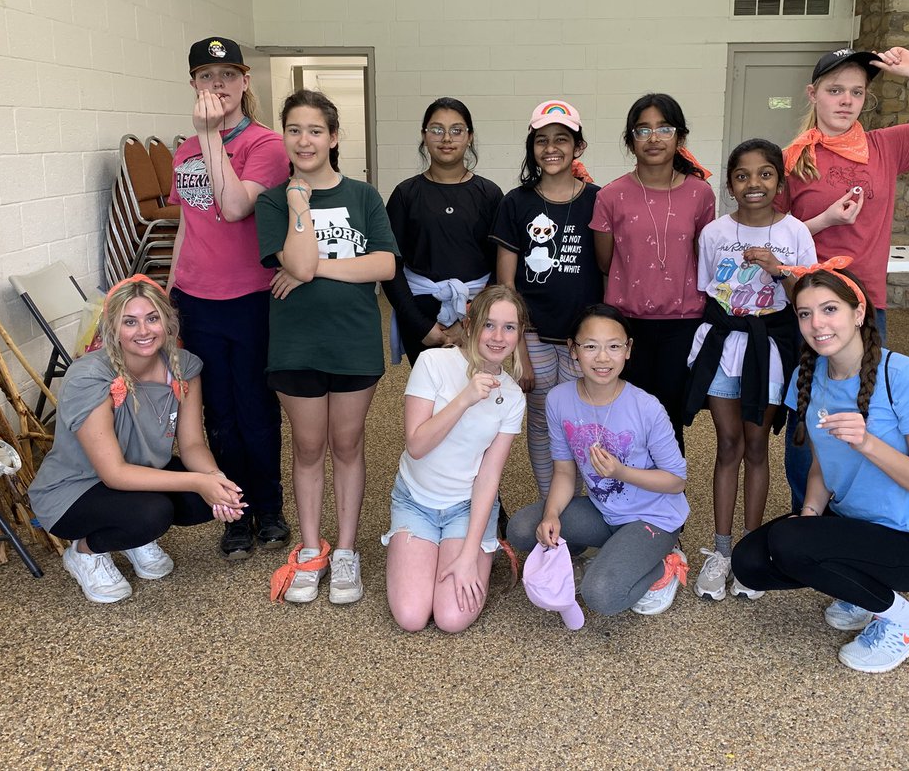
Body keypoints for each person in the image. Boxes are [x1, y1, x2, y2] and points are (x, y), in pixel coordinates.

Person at [777, 46, 909, 511]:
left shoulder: (885, 146)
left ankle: (859, 513)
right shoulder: (793, 160)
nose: (846, 101)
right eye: (834, 91)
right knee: (807, 419)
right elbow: (774, 242)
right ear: (813, 95)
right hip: (808, 309)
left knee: (871, 415)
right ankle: (805, 516)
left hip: (865, 304)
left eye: (856, 91)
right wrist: (823, 222)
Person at [732, 263, 909, 673]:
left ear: (858, 314)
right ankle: (861, 590)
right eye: (804, 313)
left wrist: (867, 442)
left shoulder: (906, 375)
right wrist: (811, 517)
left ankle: (907, 623)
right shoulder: (808, 373)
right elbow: (822, 461)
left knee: (788, 544)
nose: (817, 324)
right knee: (749, 561)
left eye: (830, 309)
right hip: (855, 521)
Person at [255, 89, 398, 606]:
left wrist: (314, 269)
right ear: (284, 137)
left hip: (353, 343)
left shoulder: (362, 196)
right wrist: (298, 205)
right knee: (309, 448)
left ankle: (346, 552)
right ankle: (312, 548)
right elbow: (291, 258)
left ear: (334, 137)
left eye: (316, 130)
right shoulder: (274, 200)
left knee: (348, 446)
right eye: (294, 130)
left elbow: (384, 265)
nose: (305, 140)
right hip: (296, 345)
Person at [28, 275, 245, 604]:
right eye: (130, 322)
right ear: (112, 327)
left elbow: (192, 446)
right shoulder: (90, 375)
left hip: (135, 475)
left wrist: (213, 480)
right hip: (75, 490)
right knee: (152, 513)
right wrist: (199, 481)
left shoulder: (184, 367)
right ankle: (85, 553)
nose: (143, 331)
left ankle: (133, 539)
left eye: (152, 318)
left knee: (221, 488)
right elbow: (113, 473)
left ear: (167, 322)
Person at [168, 36, 291, 561]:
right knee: (215, 411)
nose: (216, 85)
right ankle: (235, 511)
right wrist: (171, 293)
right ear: (193, 83)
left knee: (254, 407)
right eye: (205, 76)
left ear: (245, 82)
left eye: (227, 75)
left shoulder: (266, 145)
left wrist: (210, 135)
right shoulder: (184, 150)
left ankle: (270, 507)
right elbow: (187, 227)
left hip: (250, 298)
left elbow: (236, 205)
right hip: (196, 298)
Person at [684, 139, 816, 601]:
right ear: (730, 183)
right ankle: (722, 551)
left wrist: (779, 269)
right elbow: (708, 291)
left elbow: (809, 292)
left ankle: (749, 550)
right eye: (742, 175)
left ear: (780, 181)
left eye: (765, 174)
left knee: (758, 444)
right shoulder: (715, 232)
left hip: (770, 348)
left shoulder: (795, 231)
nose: (753, 184)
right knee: (728, 443)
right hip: (724, 345)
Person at [507, 305, 690, 619]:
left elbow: (676, 481)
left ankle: (664, 563)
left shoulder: (647, 408)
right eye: (590, 346)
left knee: (601, 595)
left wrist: (620, 471)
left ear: (628, 350)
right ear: (573, 350)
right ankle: (616, 552)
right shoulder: (559, 399)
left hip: (652, 518)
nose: (602, 358)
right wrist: (551, 513)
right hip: (603, 511)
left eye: (614, 347)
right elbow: (564, 470)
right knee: (522, 529)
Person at [383, 285, 528, 633]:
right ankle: (430, 551)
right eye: (489, 325)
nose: (498, 337)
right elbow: (417, 445)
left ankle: (478, 550)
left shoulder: (512, 397)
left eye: (509, 327)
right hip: (415, 501)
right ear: (470, 323)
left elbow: (489, 478)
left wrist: (468, 555)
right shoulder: (433, 362)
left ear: (519, 333)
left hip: (466, 506)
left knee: (451, 618)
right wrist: (464, 398)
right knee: (411, 616)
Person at [590, 93, 715, 453]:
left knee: (668, 415)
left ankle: (665, 499)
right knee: (625, 413)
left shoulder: (701, 194)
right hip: (627, 324)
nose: (654, 138)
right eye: (643, 130)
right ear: (631, 140)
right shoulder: (611, 196)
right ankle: (625, 500)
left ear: (680, 138)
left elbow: (701, 257)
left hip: (683, 321)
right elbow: (604, 262)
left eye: (664, 128)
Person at [491, 100, 603, 496]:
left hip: (582, 338)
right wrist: (517, 349)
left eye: (561, 139)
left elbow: (607, 270)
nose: (551, 148)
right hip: (535, 335)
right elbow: (507, 288)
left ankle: (580, 506)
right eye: (541, 140)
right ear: (531, 147)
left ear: (579, 146)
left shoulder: (597, 200)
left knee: (580, 420)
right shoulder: (516, 202)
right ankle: (551, 501)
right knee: (540, 419)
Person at [384, 97, 503, 366]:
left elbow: (502, 265)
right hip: (421, 314)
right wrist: (420, 324)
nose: (446, 138)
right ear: (424, 136)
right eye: (437, 129)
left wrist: (472, 320)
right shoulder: (406, 194)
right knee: (429, 398)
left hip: (478, 313)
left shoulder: (490, 194)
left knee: (478, 394)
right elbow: (390, 266)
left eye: (457, 130)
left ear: (470, 137)